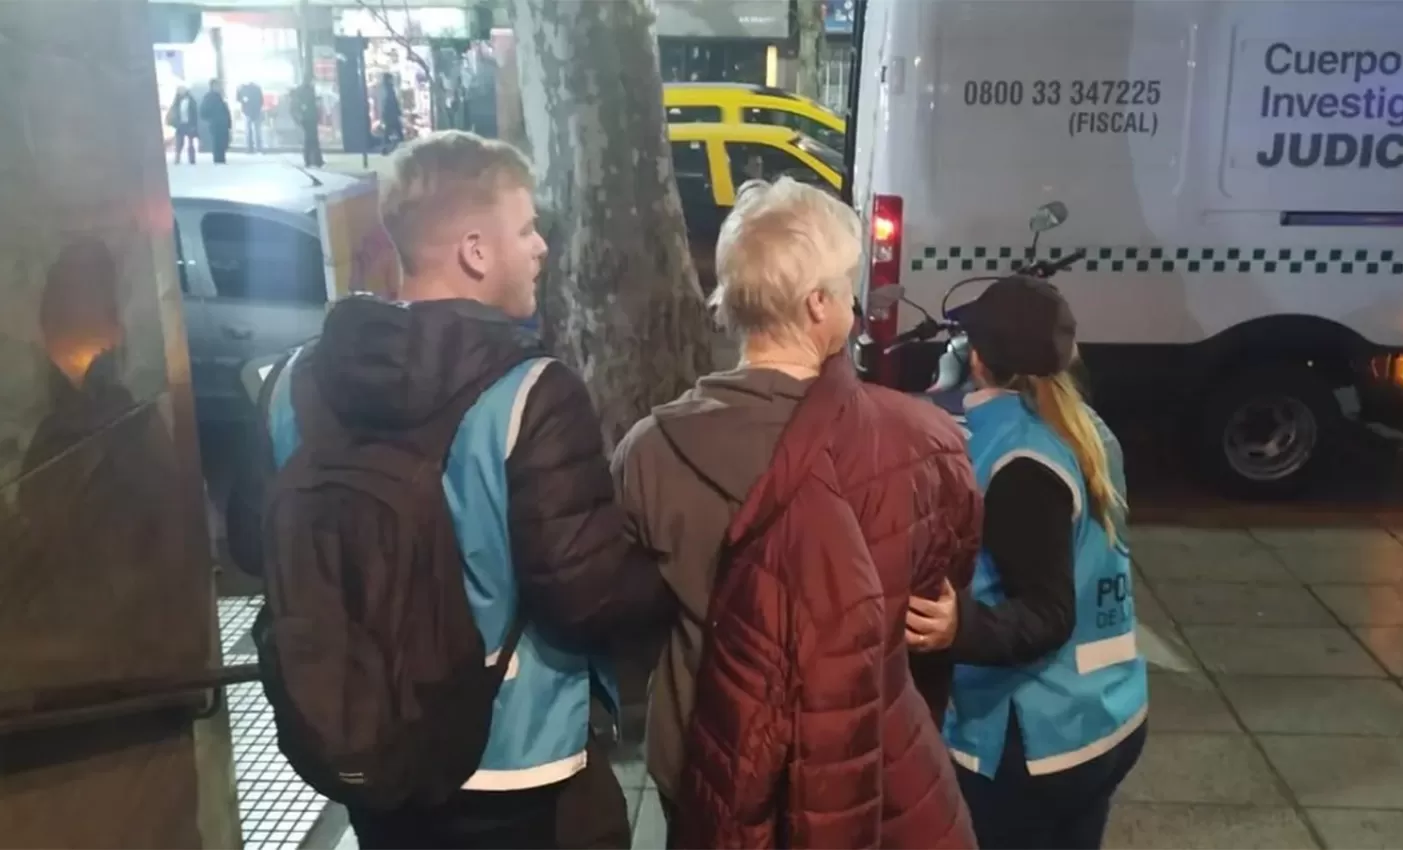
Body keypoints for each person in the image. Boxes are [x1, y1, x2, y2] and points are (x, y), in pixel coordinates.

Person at [260, 131, 669, 849]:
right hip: (513, 759)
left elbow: (254, 540)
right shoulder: (533, 392)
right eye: (526, 227)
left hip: (363, 740)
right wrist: (673, 573)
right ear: (477, 251)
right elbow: (582, 594)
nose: (540, 245)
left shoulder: (293, 383)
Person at [618, 177, 982, 849]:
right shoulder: (922, 440)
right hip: (857, 754)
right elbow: (935, 592)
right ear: (819, 306)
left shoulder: (649, 451)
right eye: (848, 286)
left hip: (704, 748)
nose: (853, 301)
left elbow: (632, 608)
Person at [904, 276, 1148, 850]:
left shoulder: (1018, 461)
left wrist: (958, 627)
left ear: (978, 358)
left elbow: (1047, 611)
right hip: (1108, 709)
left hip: (1039, 737)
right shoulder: (1085, 429)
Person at [200, 79, 232, 164]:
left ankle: (221, 159)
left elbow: (225, 110)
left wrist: (228, 122)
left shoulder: (221, 96)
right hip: (216, 124)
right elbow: (203, 111)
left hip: (223, 124)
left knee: (223, 142)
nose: (219, 87)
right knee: (217, 142)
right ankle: (218, 160)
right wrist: (212, 118)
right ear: (213, 86)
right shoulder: (209, 97)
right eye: (217, 85)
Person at [166, 86, 197, 164]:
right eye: (179, 91)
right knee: (179, 142)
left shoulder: (191, 100)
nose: (180, 93)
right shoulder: (177, 101)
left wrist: (194, 124)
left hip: (189, 124)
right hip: (180, 124)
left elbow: (194, 113)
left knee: (191, 142)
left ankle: (192, 159)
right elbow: (174, 111)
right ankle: (177, 158)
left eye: (182, 91)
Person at [236, 80, 265, 152]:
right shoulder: (257, 88)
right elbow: (261, 100)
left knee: (249, 131)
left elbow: (238, 98)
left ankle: (250, 148)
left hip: (247, 111)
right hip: (256, 111)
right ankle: (259, 148)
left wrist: (243, 101)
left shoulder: (241, 88)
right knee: (257, 130)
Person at [380, 73, 404, 154]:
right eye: (391, 78)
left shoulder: (384, 89)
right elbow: (392, 102)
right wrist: (398, 111)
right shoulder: (389, 89)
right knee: (398, 131)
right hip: (391, 115)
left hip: (389, 115)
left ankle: (385, 148)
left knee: (388, 132)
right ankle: (402, 146)